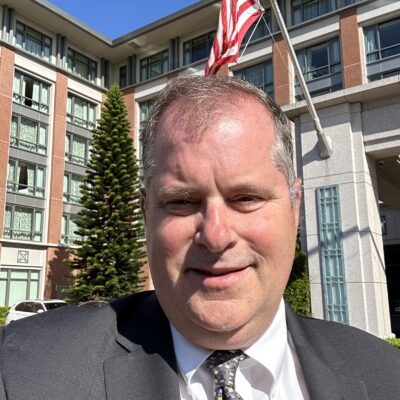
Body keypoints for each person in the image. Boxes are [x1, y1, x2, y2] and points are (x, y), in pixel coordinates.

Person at [0, 76, 399, 400]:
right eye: (182, 201)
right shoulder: (23, 372)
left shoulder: (385, 375)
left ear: (295, 207)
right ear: (146, 212)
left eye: (246, 198)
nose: (216, 235)